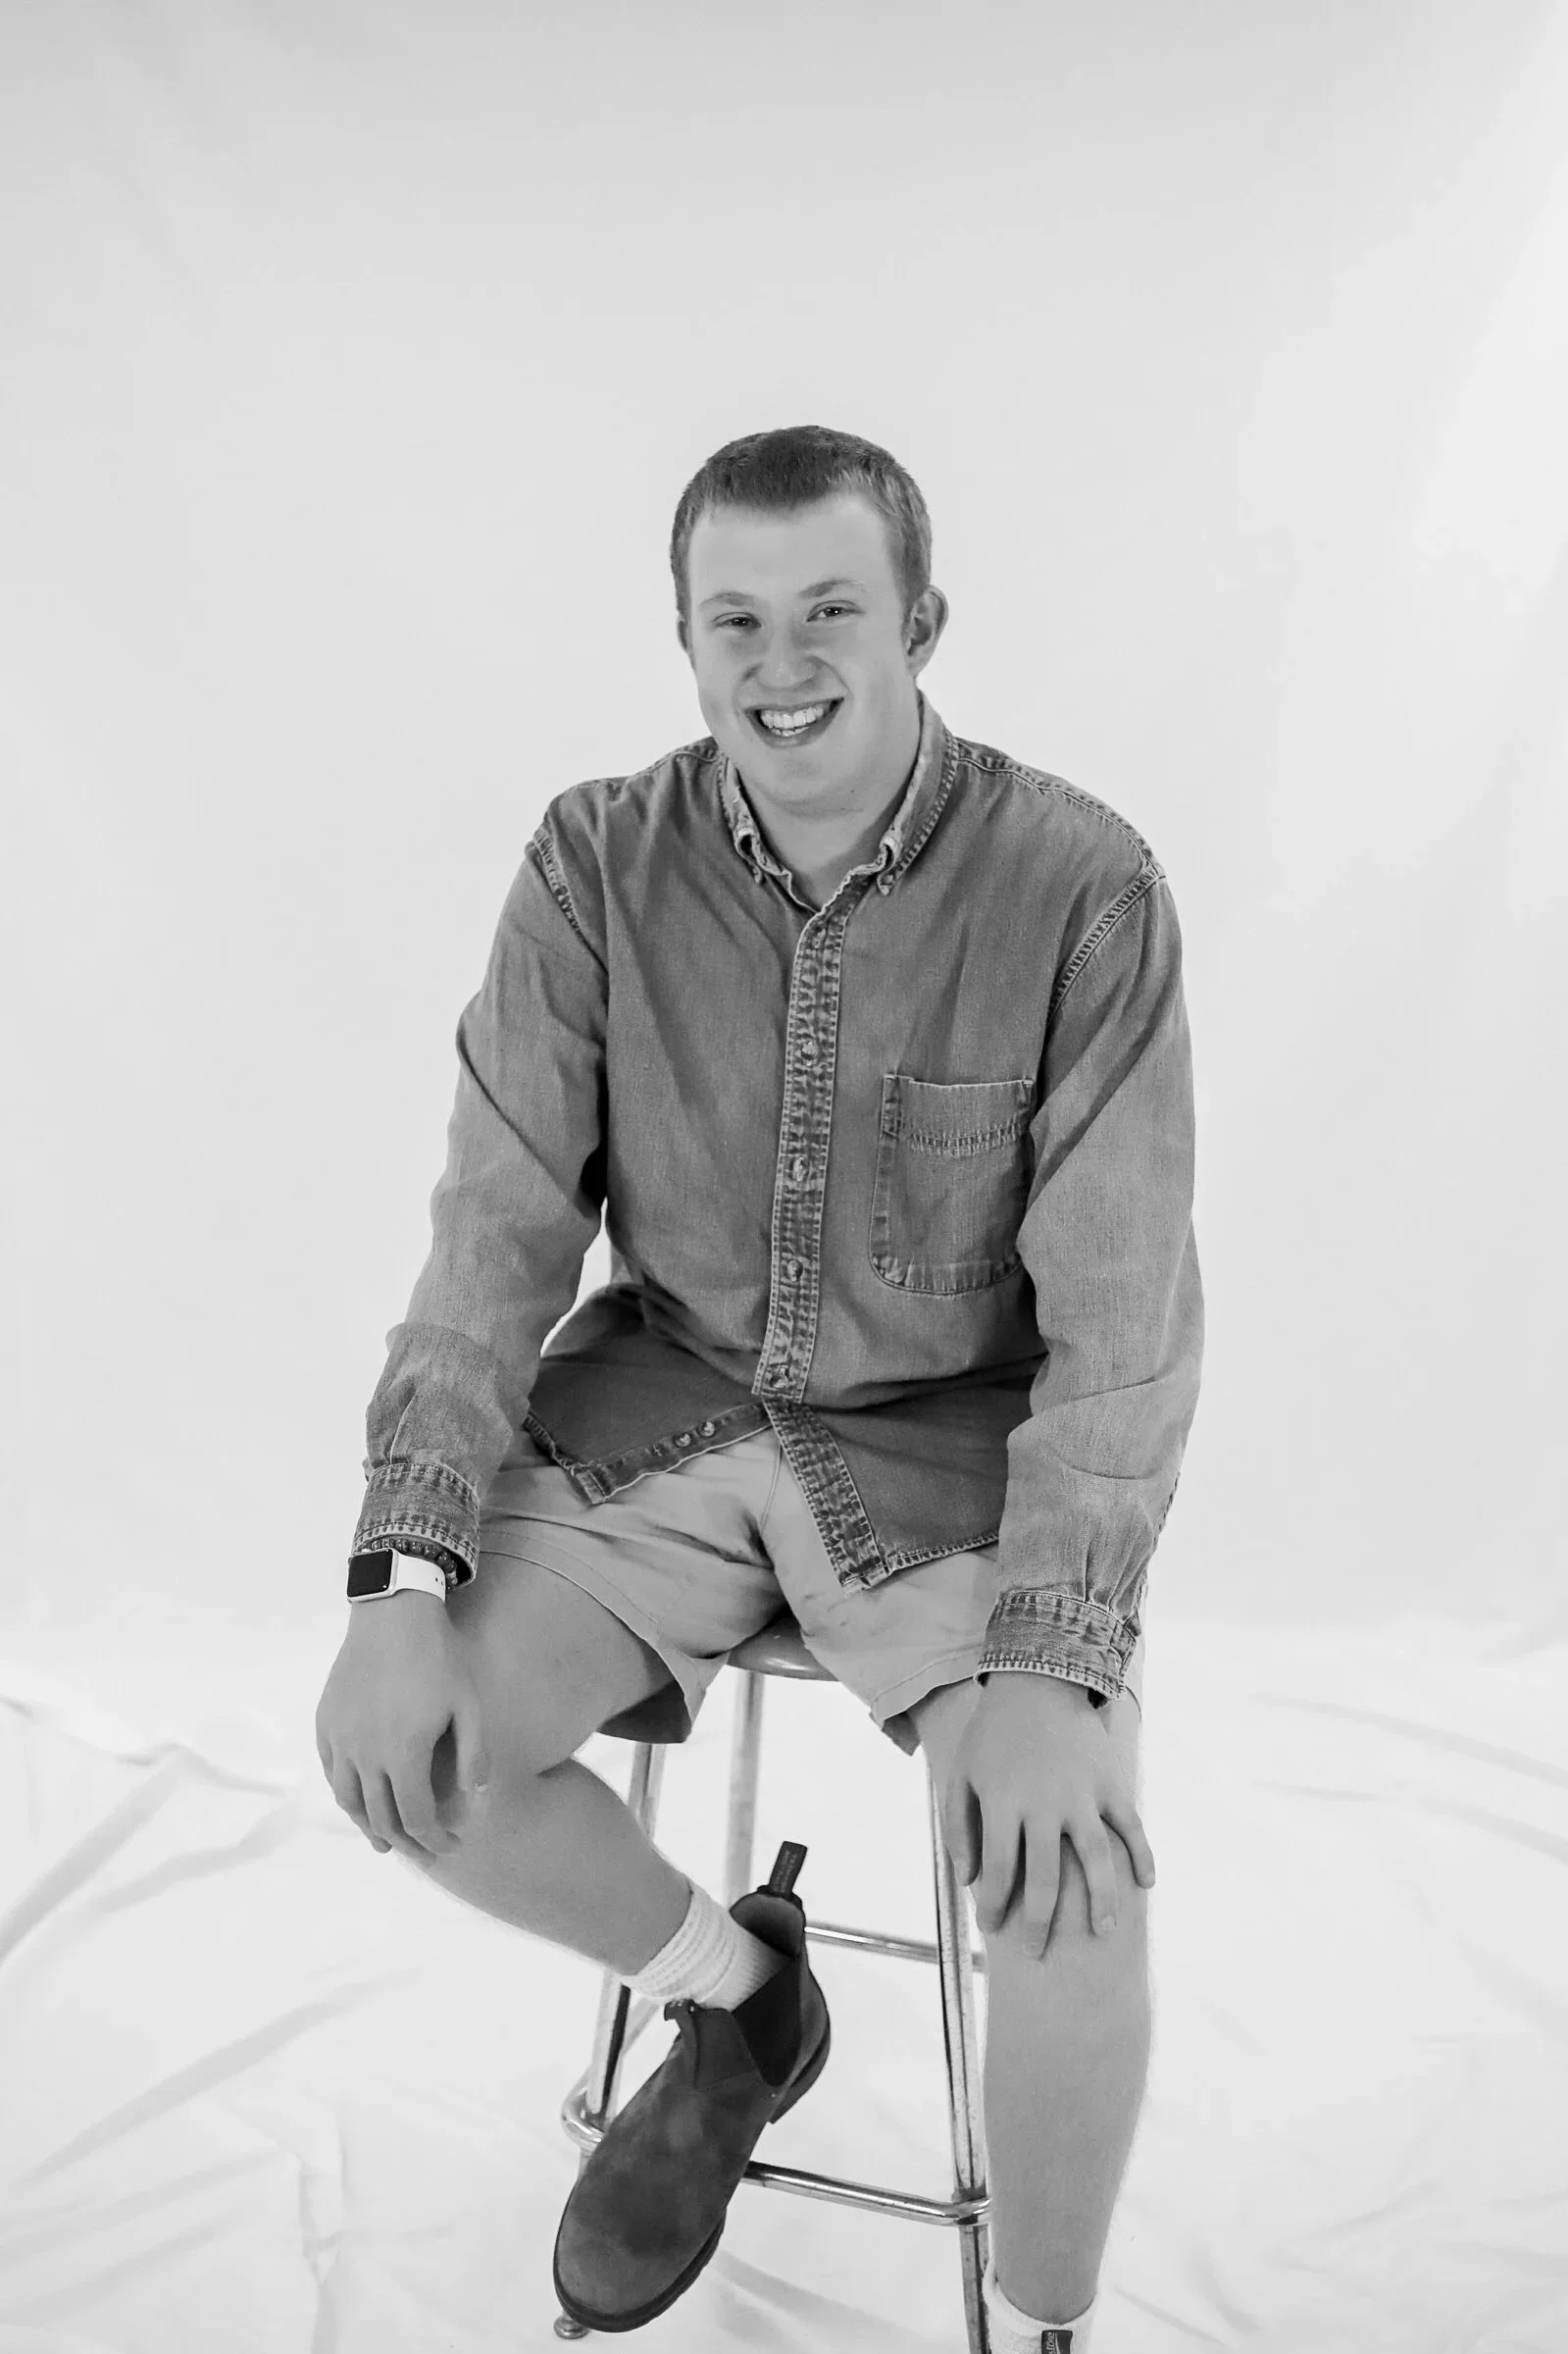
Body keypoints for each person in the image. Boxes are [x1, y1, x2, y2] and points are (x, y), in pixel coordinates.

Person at [315, 423, 1204, 2352]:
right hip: (671, 1413)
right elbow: (492, 1235)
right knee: (414, 1756)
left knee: (1071, 1891)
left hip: (954, 1460)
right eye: (736, 619)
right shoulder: (590, 865)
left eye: (828, 611)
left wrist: (1057, 1664)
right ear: (686, 638)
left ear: (920, 621)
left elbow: (1124, 1318)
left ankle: (1040, 2330)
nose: (779, 661)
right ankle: (737, 2000)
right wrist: (398, 1584)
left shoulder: (1078, 887)